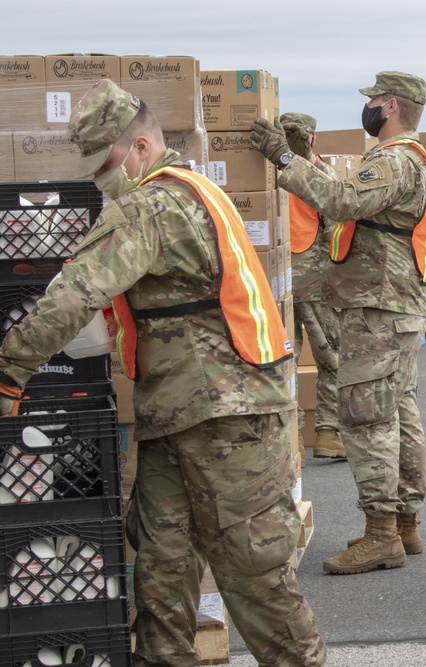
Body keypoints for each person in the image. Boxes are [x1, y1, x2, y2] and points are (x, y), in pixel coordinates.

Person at [0, 80, 325, 666]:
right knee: (161, 568)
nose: (100, 182)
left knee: (256, 580)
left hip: (229, 422)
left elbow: (74, 293)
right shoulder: (193, 190)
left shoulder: (152, 206)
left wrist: (7, 372)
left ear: (141, 148)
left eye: (105, 166)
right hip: (180, 416)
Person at [251, 71, 426, 575]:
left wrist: (283, 159)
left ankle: (382, 535)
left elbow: (342, 201)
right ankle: (404, 523)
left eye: (374, 99)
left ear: (391, 105)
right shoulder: (404, 159)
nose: (368, 107)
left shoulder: (395, 160)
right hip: (391, 305)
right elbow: (349, 199)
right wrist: (304, 160)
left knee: (367, 418)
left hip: (379, 309)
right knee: (398, 412)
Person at [280, 112, 346, 460]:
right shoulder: (321, 173)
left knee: (283, 360)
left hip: (277, 278)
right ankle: (327, 434)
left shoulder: (271, 172)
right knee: (331, 358)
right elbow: (337, 228)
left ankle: (292, 441)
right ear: (313, 140)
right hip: (316, 278)